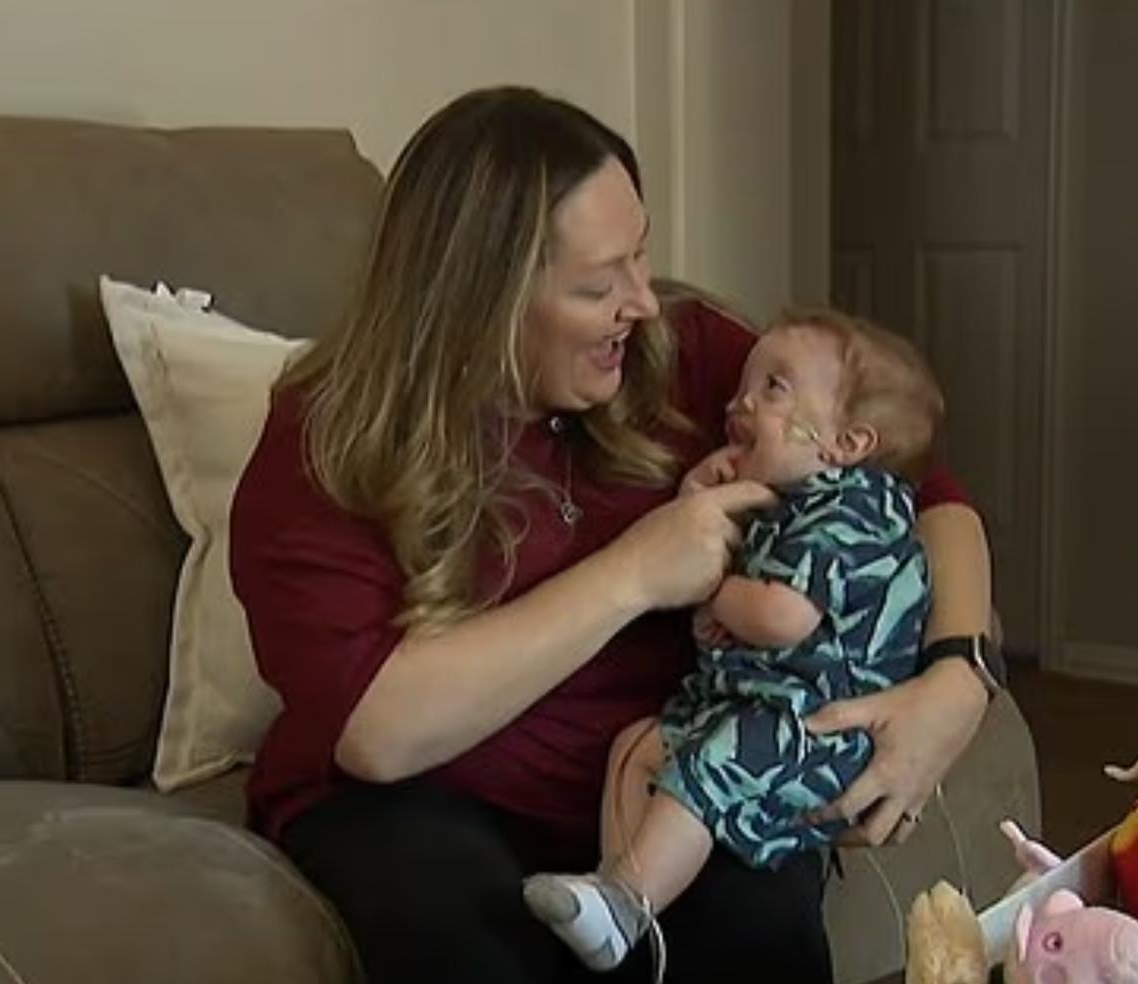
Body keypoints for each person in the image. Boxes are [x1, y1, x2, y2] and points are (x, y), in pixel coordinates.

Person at [229, 85, 996, 984]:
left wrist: (957, 678)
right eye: (599, 285)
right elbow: (379, 732)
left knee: (761, 918)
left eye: (640, 254)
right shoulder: (327, 440)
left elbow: (923, 491)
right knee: (466, 936)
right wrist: (635, 572)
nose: (643, 302)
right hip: (418, 796)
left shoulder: (688, 357)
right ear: (482, 301)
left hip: (667, 763)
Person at [523, 309, 944, 977]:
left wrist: (709, 587)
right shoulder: (788, 502)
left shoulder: (855, 508)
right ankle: (618, 894)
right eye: (743, 386)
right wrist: (695, 502)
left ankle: (627, 900)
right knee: (635, 747)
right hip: (757, 706)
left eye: (773, 388)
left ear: (846, 443)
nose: (738, 404)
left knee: (703, 769)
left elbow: (782, 616)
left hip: (818, 731)